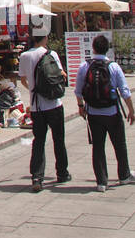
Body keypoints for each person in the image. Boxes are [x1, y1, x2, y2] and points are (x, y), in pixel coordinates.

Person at [75, 34, 135, 192]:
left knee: (98, 146)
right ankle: (124, 176)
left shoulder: (85, 66)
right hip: (112, 113)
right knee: (120, 145)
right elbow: (125, 91)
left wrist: (81, 106)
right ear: (107, 49)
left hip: (93, 113)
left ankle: (101, 182)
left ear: (93, 48)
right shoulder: (113, 66)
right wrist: (131, 110)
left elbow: (78, 90)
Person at [19, 24, 70, 191]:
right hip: (55, 104)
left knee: (38, 141)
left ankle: (37, 177)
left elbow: (24, 80)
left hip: (37, 107)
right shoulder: (52, 54)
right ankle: (62, 173)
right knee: (59, 140)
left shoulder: (25, 56)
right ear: (45, 38)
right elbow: (62, 76)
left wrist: (34, 89)